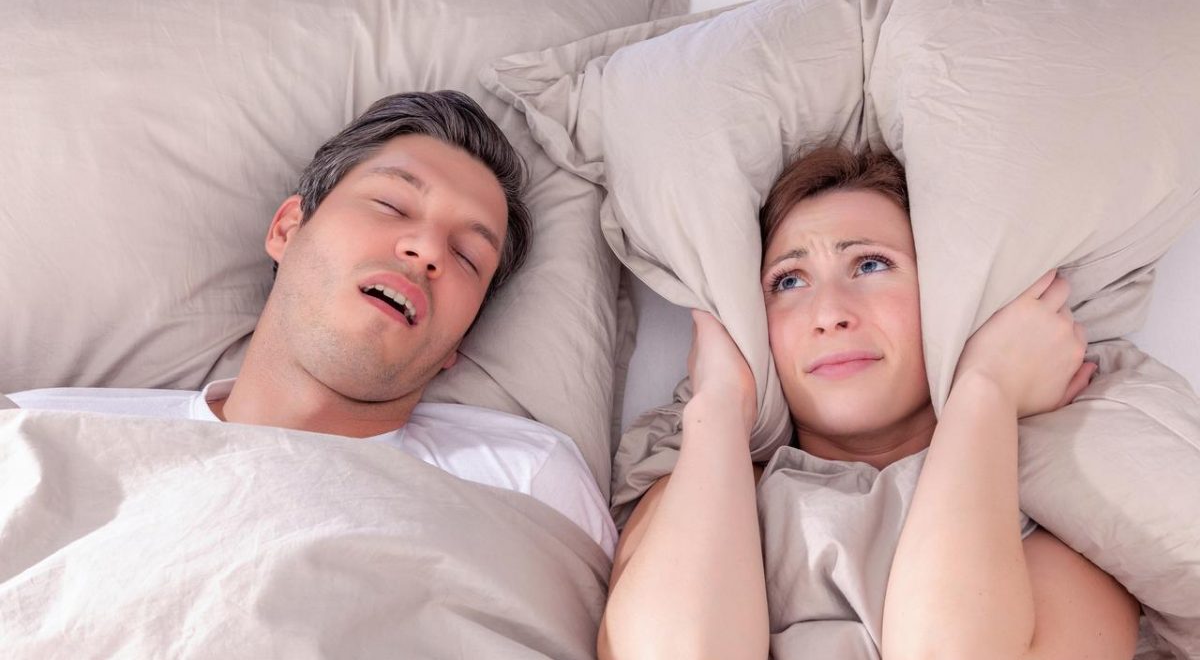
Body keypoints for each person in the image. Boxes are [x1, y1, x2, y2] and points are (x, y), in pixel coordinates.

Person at [8, 90, 617, 557]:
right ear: (288, 229)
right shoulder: (42, 435)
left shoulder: (524, 482)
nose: (427, 250)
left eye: (466, 258)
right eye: (392, 204)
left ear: (456, 343)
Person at [599, 146, 1139, 658]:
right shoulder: (701, 480)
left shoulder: (1057, 504)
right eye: (788, 281)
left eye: (871, 265)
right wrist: (718, 404)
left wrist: (985, 388)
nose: (828, 311)